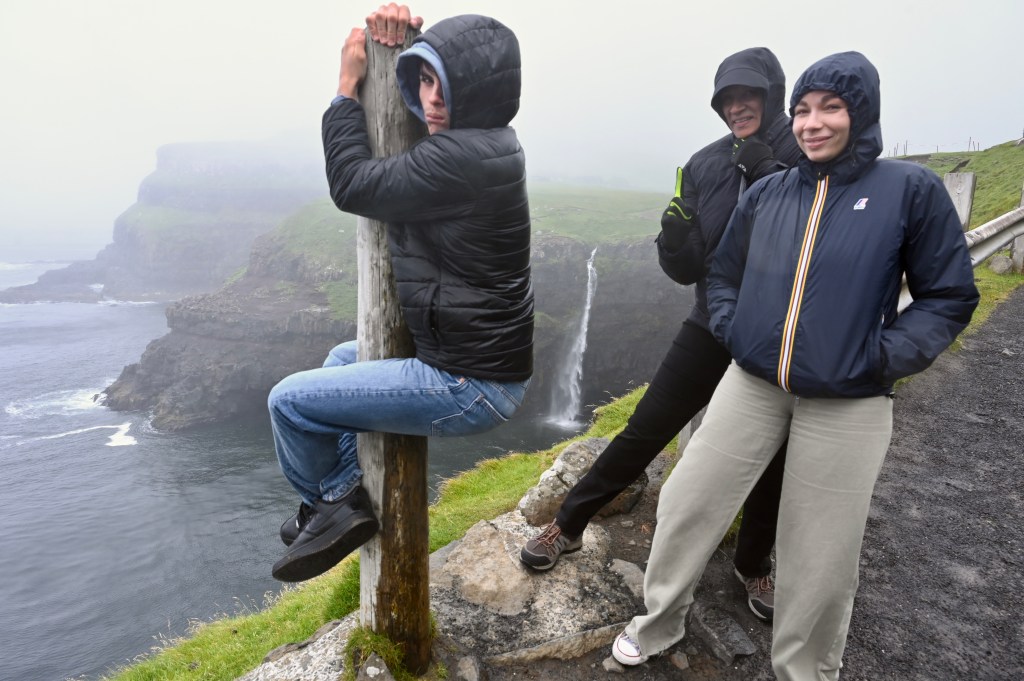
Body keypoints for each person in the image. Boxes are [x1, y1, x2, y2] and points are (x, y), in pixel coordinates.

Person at [611, 52, 979, 680]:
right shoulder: (771, 192)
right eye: (803, 110)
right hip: (753, 383)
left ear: (861, 113)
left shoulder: (907, 190)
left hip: (850, 398)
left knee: (821, 551)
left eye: (831, 107)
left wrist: (880, 358)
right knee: (686, 502)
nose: (813, 122)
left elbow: (947, 296)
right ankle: (658, 621)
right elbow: (723, 275)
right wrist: (736, 331)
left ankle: (806, 670)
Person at [520, 47, 800, 622]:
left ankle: (753, 563)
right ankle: (567, 524)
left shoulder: (804, 151)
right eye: (726, 98)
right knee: (646, 426)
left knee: (774, 451)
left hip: (778, 331)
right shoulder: (702, 164)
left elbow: (811, 236)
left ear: (773, 93)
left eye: (748, 94)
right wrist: (673, 243)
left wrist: (767, 172)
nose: (737, 106)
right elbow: (687, 268)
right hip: (711, 322)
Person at [269, 4, 533, 583]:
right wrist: (402, 41)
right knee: (342, 358)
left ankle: (334, 501)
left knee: (288, 402)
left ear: (481, 92)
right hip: (471, 363)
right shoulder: (491, 145)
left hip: (469, 384)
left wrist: (346, 89)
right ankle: (341, 496)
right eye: (424, 80)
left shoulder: (458, 159)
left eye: (448, 85)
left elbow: (352, 184)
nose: (433, 99)